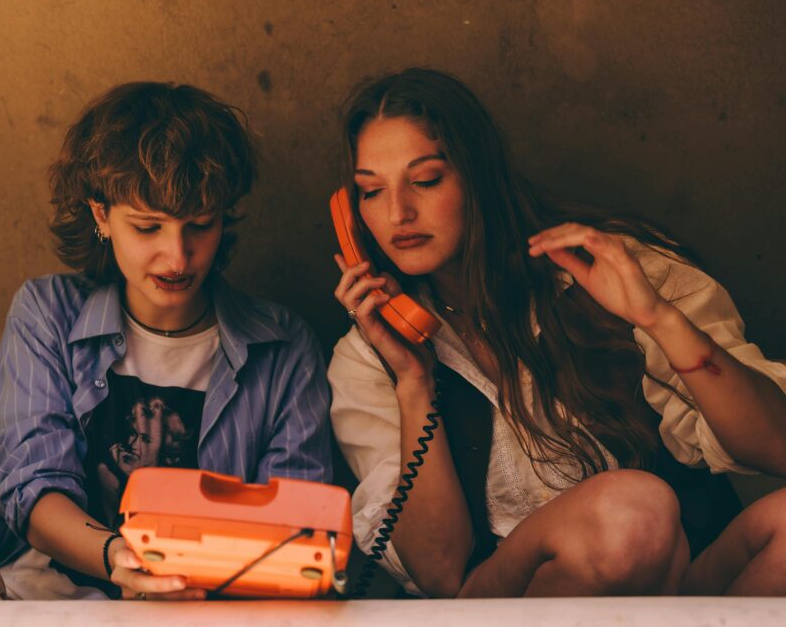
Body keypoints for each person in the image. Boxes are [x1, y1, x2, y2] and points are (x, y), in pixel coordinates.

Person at [0, 81, 332, 601]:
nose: (178, 257)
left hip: (198, 610)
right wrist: (117, 557)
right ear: (101, 214)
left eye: (200, 226)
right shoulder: (47, 313)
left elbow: (297, 537)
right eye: (148, 228)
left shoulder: (281, 347)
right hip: (36, 604)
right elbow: (32, 484)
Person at [328, 68, 786, 598]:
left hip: (679, 583)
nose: (398, 214)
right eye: (369, 191)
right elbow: (440, 575)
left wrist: (659, 318)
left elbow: (775, 448)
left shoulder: (616, 271)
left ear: (480, 177)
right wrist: (414, 382)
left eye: (426, 181)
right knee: (631, 514)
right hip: (510, 598)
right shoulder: (368, 356)